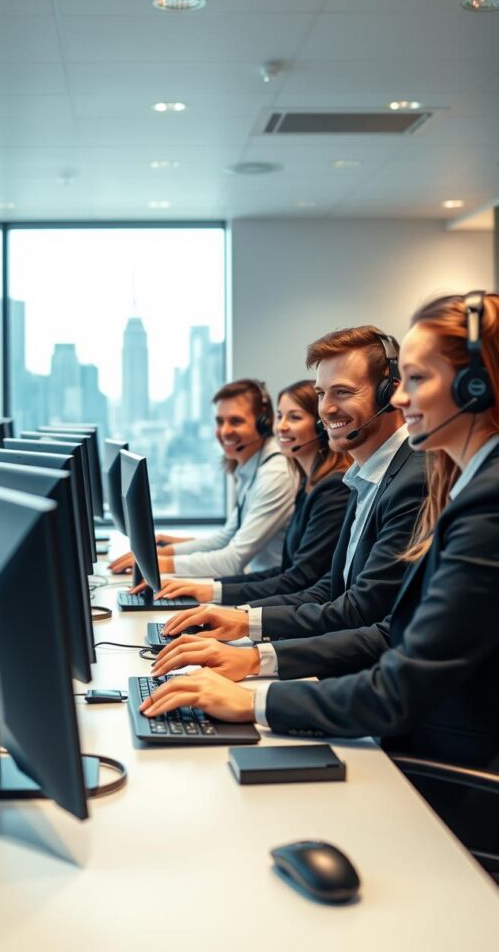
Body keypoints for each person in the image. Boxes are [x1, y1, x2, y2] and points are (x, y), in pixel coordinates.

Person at [141, 293, 499, 791]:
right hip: (410, 727)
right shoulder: (409, 478)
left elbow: (394, 667)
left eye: (416, 380)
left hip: (444, 758)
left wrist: (253, 698)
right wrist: (247, 642)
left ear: (476, 387)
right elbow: (369, 615)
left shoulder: (481, 503)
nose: (400, 399)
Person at [158, 327, 426, 646]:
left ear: (390, 394)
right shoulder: (362, 476)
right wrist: (241, 618)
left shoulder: (412, 481)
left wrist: (253, 649)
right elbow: (331, 588)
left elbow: (363, 611)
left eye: (342, 392)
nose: (325, 409)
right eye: (321, 394)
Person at [155, 380, 351, 605]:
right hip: (278, 596)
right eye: (280, 416)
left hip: (290, 605)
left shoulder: (325, 487)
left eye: (294, 417)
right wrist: (170, 559)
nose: (281, 426)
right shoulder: (307, 485)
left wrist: (210, 591)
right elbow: (235, 541)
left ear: (321, 426)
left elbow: (299, 579)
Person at [109, 378, 298, 579]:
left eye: (236, 421)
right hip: (257, 582)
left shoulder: (276, 474)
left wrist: (155, 563)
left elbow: (232, 560)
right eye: (219, 421)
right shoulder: (252, 468)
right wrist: (165, 550)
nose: (224, 431)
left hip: (270, 588)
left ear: (263, 424)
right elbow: (226, 538)